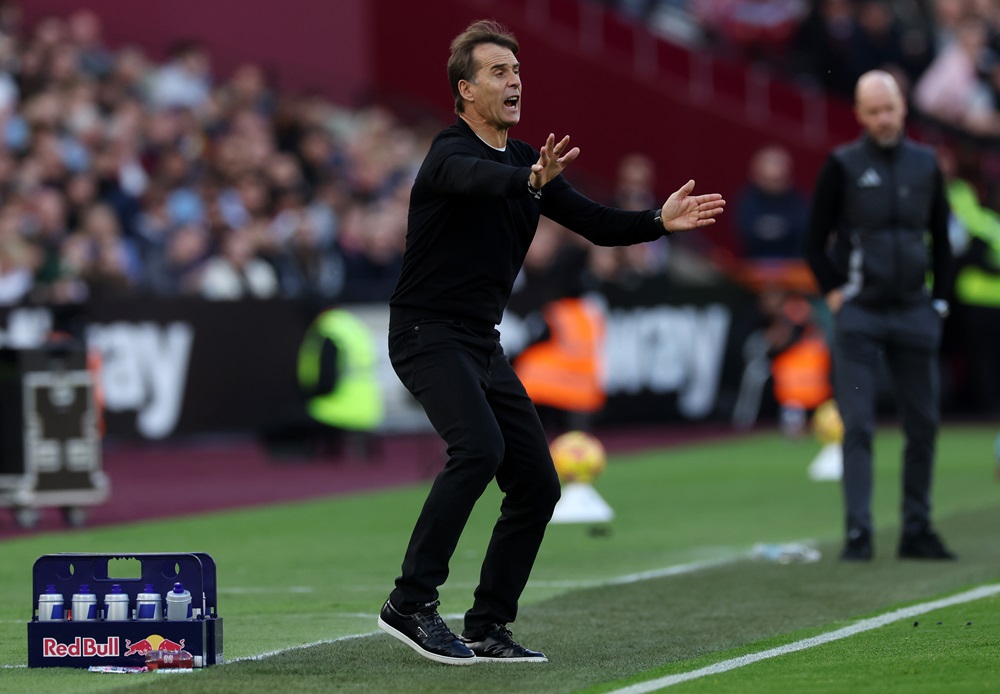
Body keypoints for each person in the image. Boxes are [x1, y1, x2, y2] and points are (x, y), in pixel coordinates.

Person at [377, 19, 725, 665]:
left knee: (538, 483)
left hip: (480, 341)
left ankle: (487, 625)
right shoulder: (449, 153)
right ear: (466, 90)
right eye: (499, 73)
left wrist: (657, 221)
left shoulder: (528, 160)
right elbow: (480, 180)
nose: (515, 83)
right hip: (426, 333)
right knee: (477, 449)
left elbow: (596, 224)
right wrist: (530, 183)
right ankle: (409, 603)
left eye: (517, 72)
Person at [802, 70, 955, 562]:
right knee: (860, 426)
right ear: (860, 114)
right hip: (861, 315)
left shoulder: (926, 164)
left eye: (889, 108)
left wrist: (940, 302)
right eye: (873, 111)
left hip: (914, 311)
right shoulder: (842, 165)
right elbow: (812, 240)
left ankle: (917, 528)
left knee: (924, 424)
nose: (883, 118)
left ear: (903, 107)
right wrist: (834, 294)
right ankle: (858, 533)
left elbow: (942, 240)